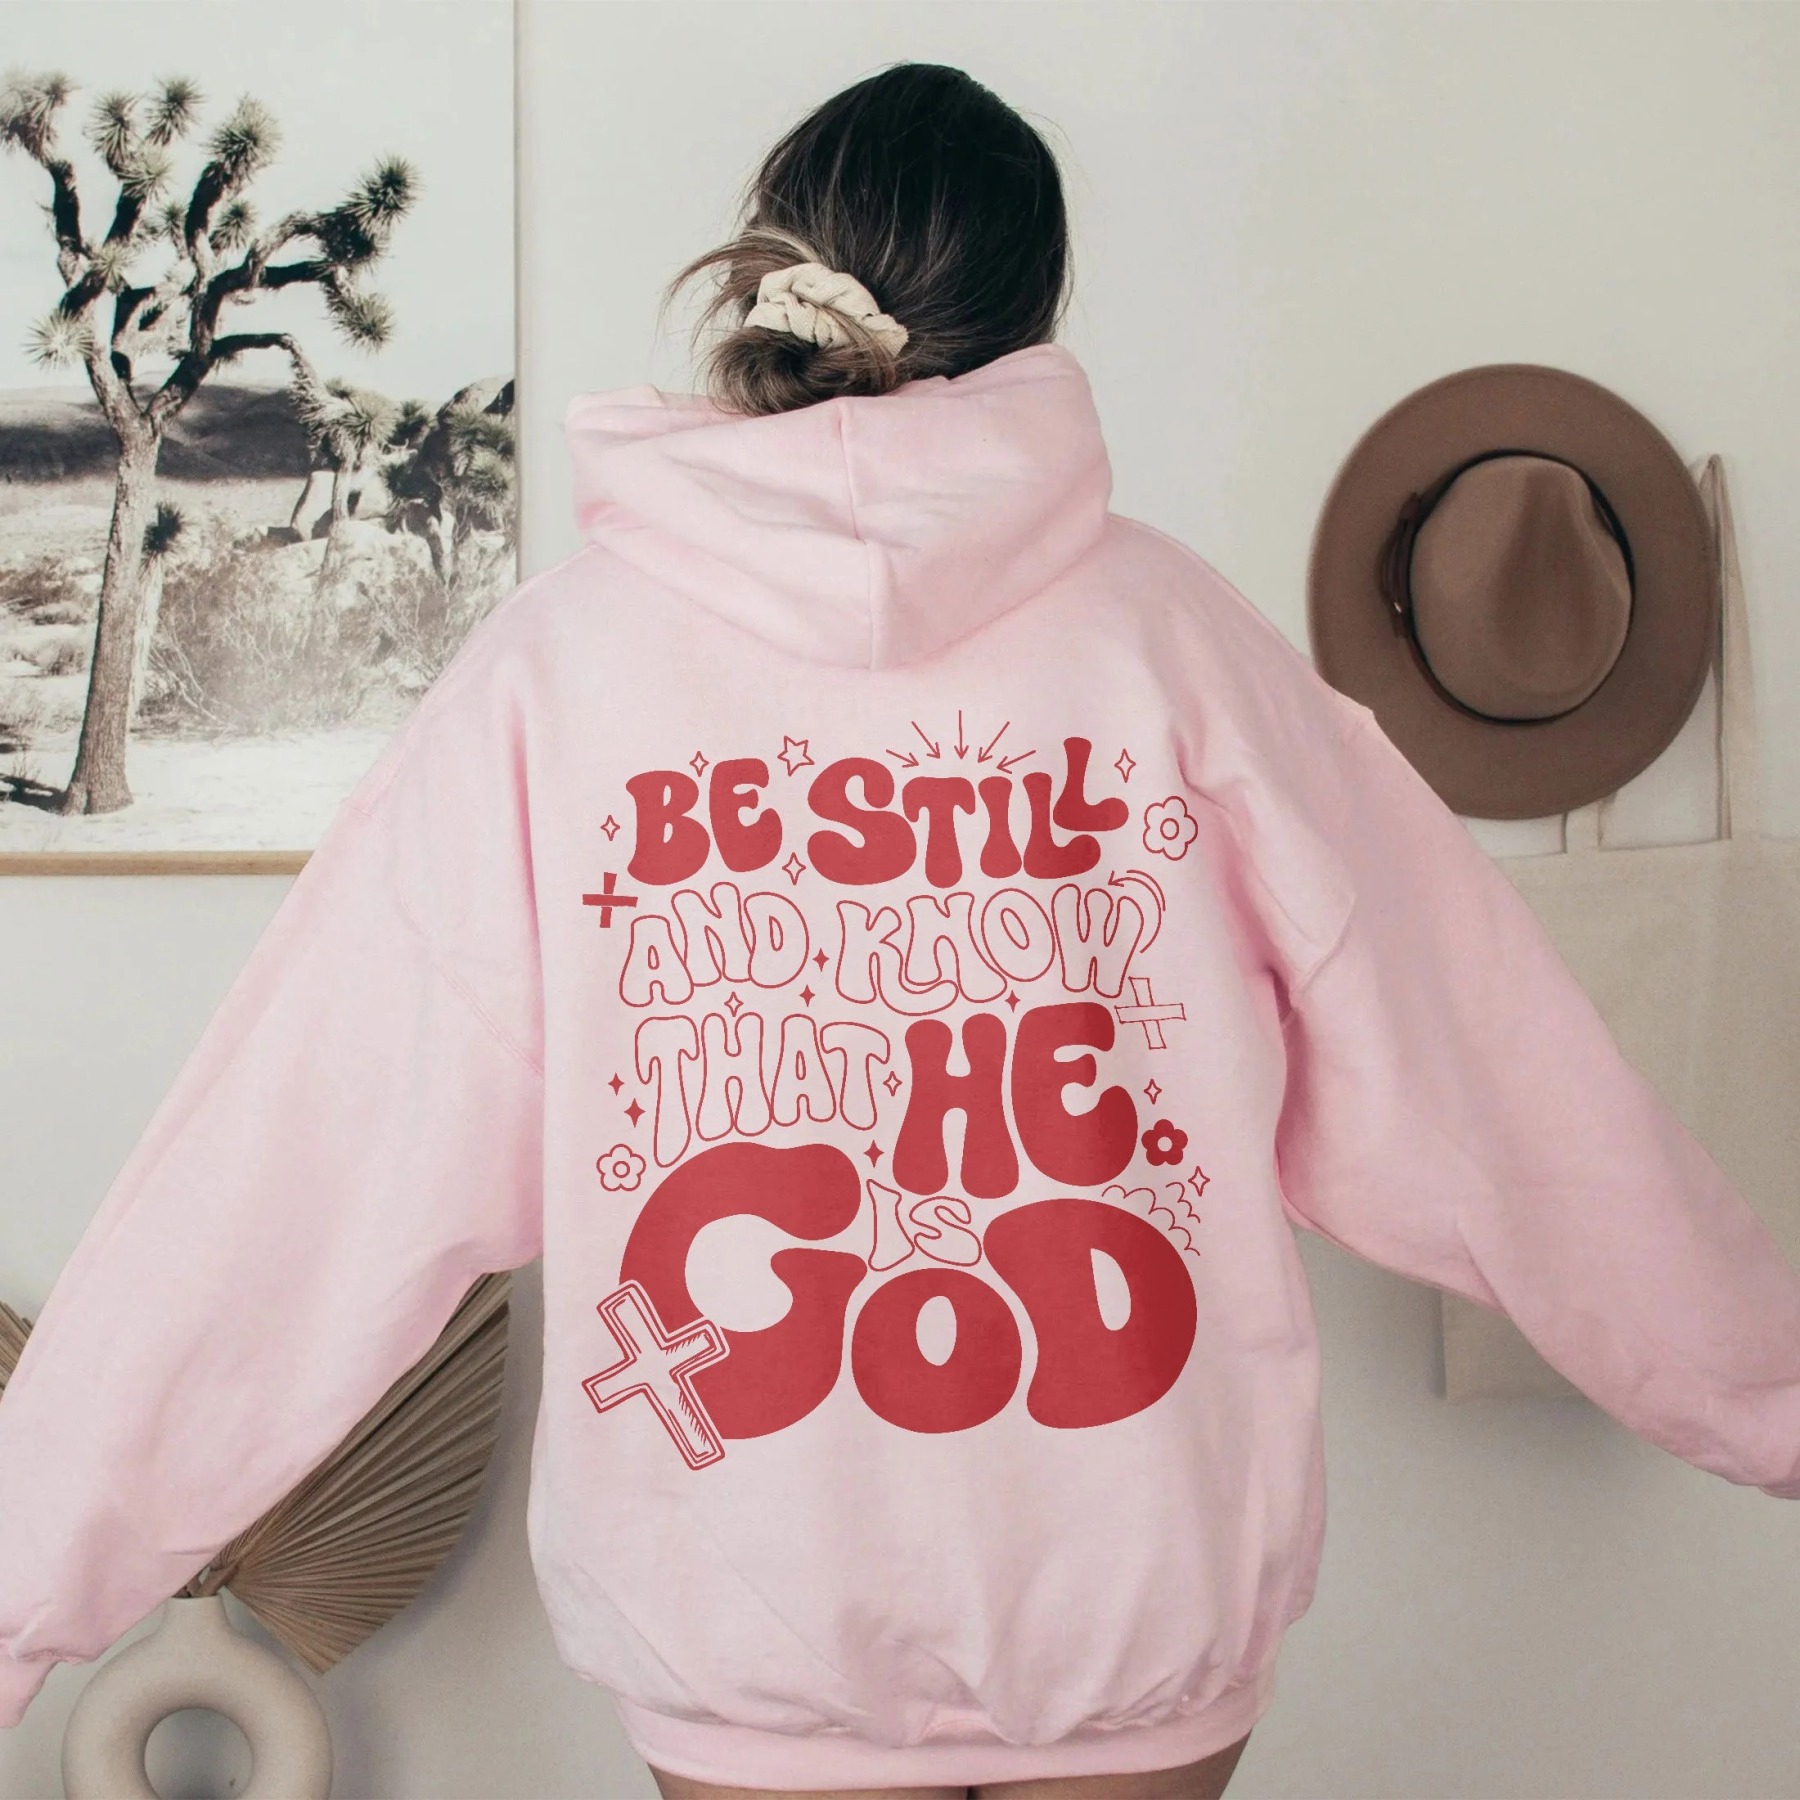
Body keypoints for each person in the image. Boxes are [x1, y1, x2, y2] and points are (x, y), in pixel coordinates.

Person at [3, 59, 1797, 1800]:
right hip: (1136, 1583)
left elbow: (299, 1163)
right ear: (1037, 311)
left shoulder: (560, 672)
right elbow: (1487, 1074)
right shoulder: (1179, 649)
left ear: (775, 268)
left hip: (746, 1605)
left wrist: (21, 1588)